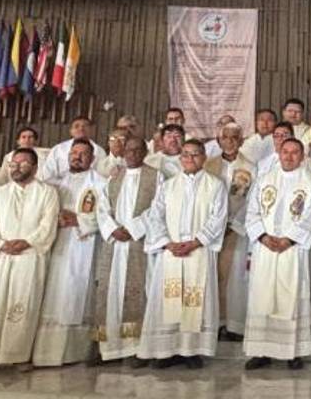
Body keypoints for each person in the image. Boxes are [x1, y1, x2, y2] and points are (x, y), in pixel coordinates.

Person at [0, 148, 60, 375]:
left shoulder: (47, 193)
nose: (17, 167)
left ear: (35, 168)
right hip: (0, 257)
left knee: (23, 305)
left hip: (29, 257)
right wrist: (1, 245)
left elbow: (48, 225)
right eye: (14, 163)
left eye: (24, 163)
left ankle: (16, 355)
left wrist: (27, 242)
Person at [137, 140, 228, 368]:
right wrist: (167, 243)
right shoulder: (168, 186)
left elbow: (218, 219)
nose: (190, 159)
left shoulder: (215, 185)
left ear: (204, 157)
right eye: (186, 154)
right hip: (172, 253)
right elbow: (155, 216)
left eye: (195, 154)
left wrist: (196, 242)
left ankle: (191, 351)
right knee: (170, 299)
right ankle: (166, 351)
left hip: (199, 252)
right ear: (180, 158)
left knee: (194, 300)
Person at [242, 138, 311, 370]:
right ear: (279, 153)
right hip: (265, 249)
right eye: (285, 152)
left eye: (294, 152)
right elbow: (252, 213)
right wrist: (264, 237)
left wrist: (288, 239)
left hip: (292, 250)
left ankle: (292, 352)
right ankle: (261, 351)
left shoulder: (310, 182)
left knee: (291, 297)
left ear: (302, 156)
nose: (288, 156)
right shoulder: (264, 180)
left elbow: (310, 216)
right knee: (262, 297)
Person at [31, 139, 103, 367]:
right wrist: (54, 218)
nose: (77, 157)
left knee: (75, 295)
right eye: (74, 153)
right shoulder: (53, 184)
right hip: (56, 244)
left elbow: (108, 215)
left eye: (83, 154)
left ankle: (76, 353)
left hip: (84, 246)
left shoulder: (101, 183)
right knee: (52, 294)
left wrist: (79, 219)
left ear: (92, 159)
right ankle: (45, 354)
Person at [92, 138, 158, 363]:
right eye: (128, 150)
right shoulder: (114, 176)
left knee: (138, 292)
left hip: (138, 244)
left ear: (145, 151)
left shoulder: (156, 176)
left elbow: (158, 208)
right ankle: (107, 348)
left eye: (137, 150)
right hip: (115, 244)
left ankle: (136, 349)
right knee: (109, 293)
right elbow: (102, 208)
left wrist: (132, 229)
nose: (132, 154)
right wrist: (112, 229)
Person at [204, 122, 256, 340]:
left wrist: (233, 224)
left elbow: (252, 200)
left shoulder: (251, 167)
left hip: (236, 230)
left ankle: (233, 325)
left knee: (235, 277)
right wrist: (214, 225)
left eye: (235, 137)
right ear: (218, 140)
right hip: (210, 231)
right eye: (225, 137)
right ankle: (213, 323)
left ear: (242, 141)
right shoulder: (207, 165)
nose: (230, 141)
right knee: (211, 274)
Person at [39, 116, 104, 182]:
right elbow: (48, 174)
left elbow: (101, 175)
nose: (81, 129)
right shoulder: (58, 149)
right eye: (76, 126)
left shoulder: (99, 151)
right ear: (71, 131)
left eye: (85, 126)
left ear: (91, 130)